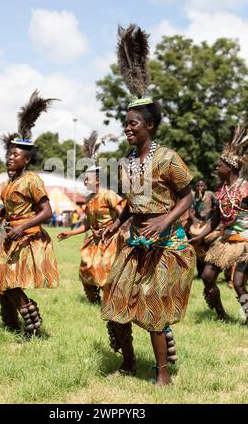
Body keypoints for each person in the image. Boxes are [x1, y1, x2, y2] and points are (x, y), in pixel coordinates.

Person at [101, 24, 196, 386]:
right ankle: (127, 363)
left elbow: (187, 196)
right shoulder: (125, 162)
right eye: (125, 123)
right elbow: (131, 202)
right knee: (115, 303)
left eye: (133, 124)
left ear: (150, 125)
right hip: (134, 243)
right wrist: (118, 222)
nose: (127, 128)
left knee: (154, 308)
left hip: (167, 245)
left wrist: (165, 221)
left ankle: (163, 375)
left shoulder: (169, 159)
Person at [0, 90, 59, 335]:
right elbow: (8, 211)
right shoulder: (8, 184)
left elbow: (47, 211)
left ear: (26, 160)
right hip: (12, 236)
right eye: (9, 154)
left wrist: (21, 226)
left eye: (15, 155)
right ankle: (11, 322)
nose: (10, 157)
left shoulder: (32, 180)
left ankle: (33, 324)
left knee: (8, 283)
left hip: (28, 238)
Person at [190, 126, 248, 323]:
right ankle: (222, 315)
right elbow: (215, 218)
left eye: (219, 166)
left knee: (239, 284)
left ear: (230, 168)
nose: (216, 169)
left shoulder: (245, 188)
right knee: (207, 277)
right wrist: (198, 236)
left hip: (246, 242)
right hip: (225, 241)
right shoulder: (222, 190)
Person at [58, 132, 124, 303]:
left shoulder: (109, 195)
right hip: (94, 241)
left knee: (106, 270)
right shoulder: (89, 201)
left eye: (87, 179)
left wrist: (113, 231)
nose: (85, 182)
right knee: (86, 269)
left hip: (111, 240)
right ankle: (94, 301)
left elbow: (123, 215)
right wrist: (69, 234)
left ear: (97, 180)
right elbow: (87, 224)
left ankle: (112, 301)